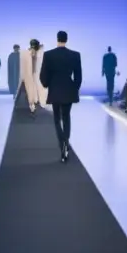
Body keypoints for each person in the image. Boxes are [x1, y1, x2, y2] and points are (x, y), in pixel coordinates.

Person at [40, 31, 82, 163]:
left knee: (57, 118)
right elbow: (78, 76)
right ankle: (66, 142)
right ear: (66, 39)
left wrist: (46, 84)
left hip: (55, 90)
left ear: (57, 39)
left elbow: (43, 75)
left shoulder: (49, 55)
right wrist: (74, 88)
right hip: (68, 90)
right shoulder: (75, 55)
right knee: (66, 117)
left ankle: (62, 144)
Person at [17, 40, 46, 114]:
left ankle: (34, 104)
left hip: (34, 74)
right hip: (30, 75)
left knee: (34, 89)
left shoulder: (33, 53)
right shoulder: (28, 54)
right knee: (31, 90)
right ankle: (32, 105)